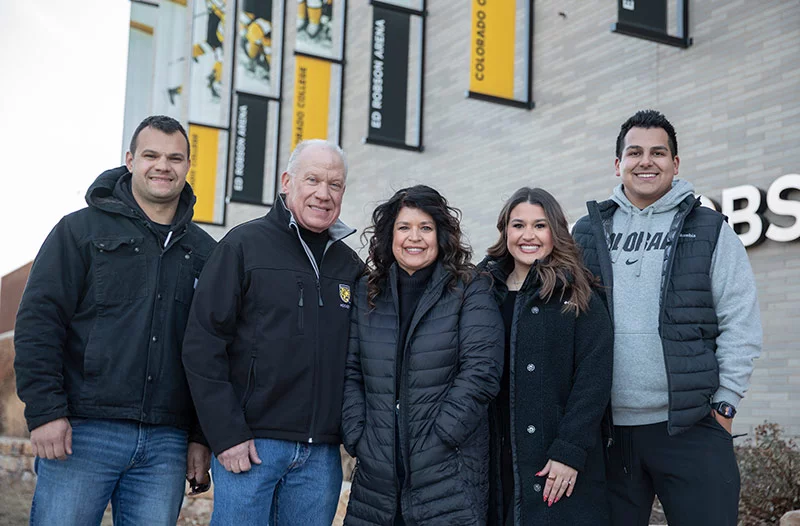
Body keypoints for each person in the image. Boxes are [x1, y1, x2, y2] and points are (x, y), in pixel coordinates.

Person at [14, 115, 216, 525]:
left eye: (175, 157)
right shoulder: (79, 232)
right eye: (151, 155)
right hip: (82, 433)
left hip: (166, 444)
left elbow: (209, 350)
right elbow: (39, 322)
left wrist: (199, 436)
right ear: (129, 160)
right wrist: (46, 412)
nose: (164, 165)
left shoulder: (205, 252)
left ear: (187, 166)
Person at [572, 109, 762, 526]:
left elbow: (740, 320)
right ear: (617, 164)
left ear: (675, 164)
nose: (646, 161)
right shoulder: (585, 232)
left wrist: (724, 406)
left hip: (691, 426)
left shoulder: (710, 229)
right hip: (607, 432)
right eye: (634, 152)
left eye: (658, 153)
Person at [182, 140, 363, 525]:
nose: (323, 193)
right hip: (250, 448)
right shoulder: (243, 246)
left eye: (335, 184)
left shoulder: (351, 267)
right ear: (286, 182)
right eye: (312, 179)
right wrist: (224, 434)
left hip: (321, 457)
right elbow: (203, 344)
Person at [342, 185, 504, 526]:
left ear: (441, 235)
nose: (414, 238)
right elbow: (351, 371)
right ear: (389, 236)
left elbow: (481, 372)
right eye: (404, 228)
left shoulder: (470, 288)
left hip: (447, 473)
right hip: (377, 478)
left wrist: (441, 436)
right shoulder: (367, 292)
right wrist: (358, 436)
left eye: (425, 228)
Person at [479, 187, 613, 525]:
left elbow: (593, 380)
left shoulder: (579, 294)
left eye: (539, 225)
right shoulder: (480, 290)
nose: (528, 236)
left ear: (555, 231)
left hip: (553, 458)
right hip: (492, 456)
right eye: (518, 225)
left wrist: (569, 451)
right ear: (504, 230)